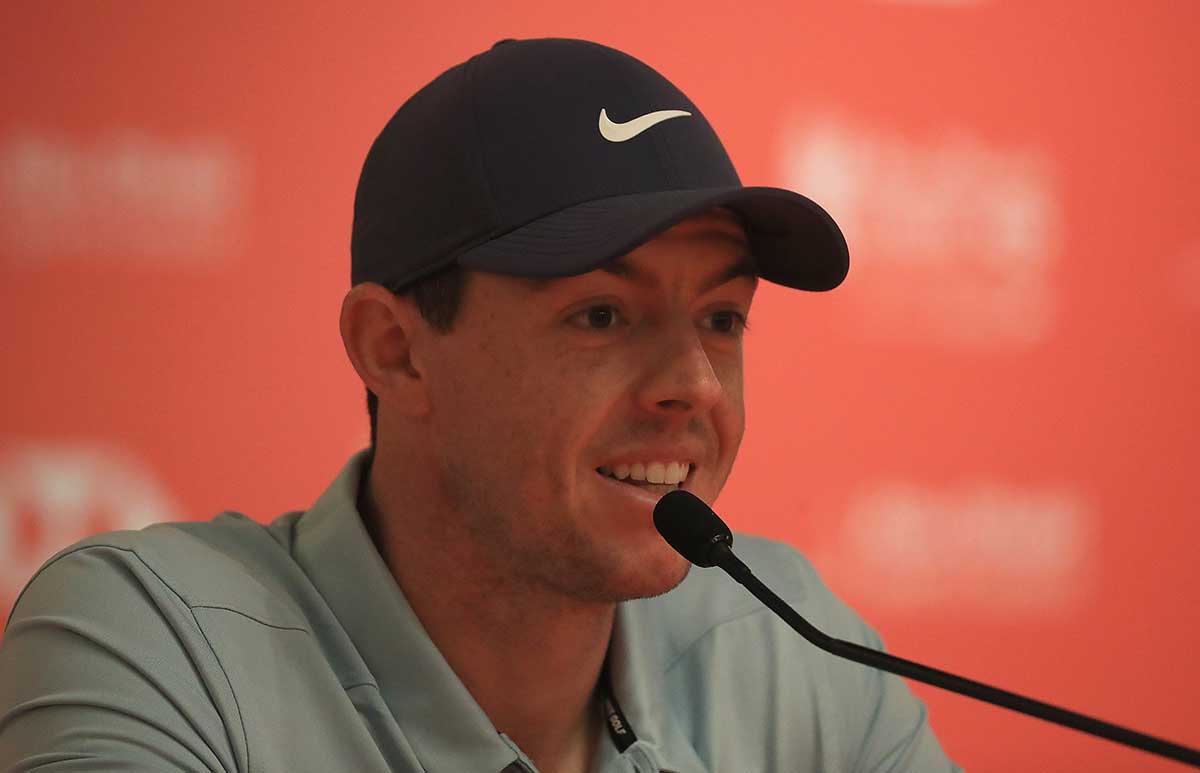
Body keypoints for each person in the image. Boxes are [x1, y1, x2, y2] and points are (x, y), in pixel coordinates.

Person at [0, 38, 960, 772]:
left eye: (721, 317)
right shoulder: (160, 643)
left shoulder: (790, 645)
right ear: (396, 350)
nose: (696, 387)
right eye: (601, 314)